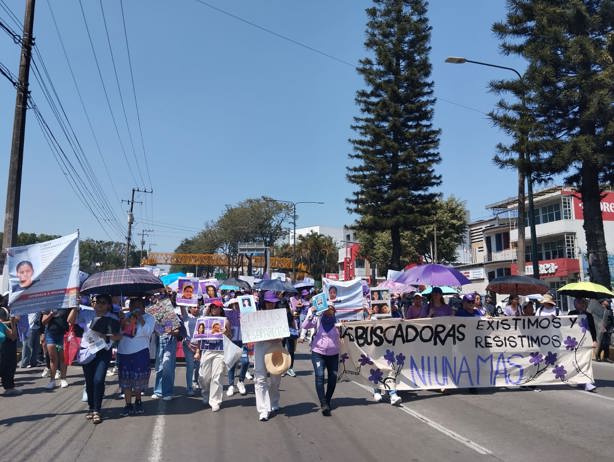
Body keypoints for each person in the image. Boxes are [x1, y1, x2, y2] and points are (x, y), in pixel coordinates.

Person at [79, 295, 121, 424]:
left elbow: (118, 337)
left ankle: (97, 410)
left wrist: (105, 335)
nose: (100, 305)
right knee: (89, 382)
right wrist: (74, 305)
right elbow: (70, 320)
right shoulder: (86, 313)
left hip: (103, 351)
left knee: (98, 380)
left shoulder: (113, 318)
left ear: (109, 305)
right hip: (87, 351)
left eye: (103, 302)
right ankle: (91, 408)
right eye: (97, 302)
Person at [118, 297, 155, 416]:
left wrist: (139, 318)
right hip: (124, 352)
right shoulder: (125, 316)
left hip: (140, 351)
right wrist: (121, 320)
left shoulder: (149, 318)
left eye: (139, 305)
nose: (136, 308)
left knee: (138, 380)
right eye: (133, 305)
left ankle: (138, 401)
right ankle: (128, 404)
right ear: (130, 307)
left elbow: (148, 332)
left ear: (144, 307)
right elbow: (118, 332)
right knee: (126, 381)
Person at [302, 302, 340, 416]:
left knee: (333, 378)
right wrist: (310, 313)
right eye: (326, 308)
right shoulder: (318, 319)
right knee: (320, 376)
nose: (328, 310)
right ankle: (323, 404)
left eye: (331, 308)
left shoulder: (338, 321)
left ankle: (327, 401)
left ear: (334, 310)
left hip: (333, 354)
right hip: (318, 353)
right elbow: (304, 326)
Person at [254, 291, 284, 421]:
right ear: (263, 302)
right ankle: (263, 409)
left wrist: (274, 337)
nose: (270, 304)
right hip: (260, 347)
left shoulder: (280, 315)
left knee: (275, 378)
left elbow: (283, 336)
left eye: (272, 302)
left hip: (275, 347)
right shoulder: (256, 315)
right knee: (260, 378)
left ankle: (274, 401)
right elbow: (251, 332)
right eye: (267, 302)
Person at [195, 299, 230, 412]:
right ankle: (206, 394)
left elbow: (231, 337)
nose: (215, 309)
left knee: (217, 376)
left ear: (220, 309)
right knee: (204, 376)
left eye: (217, 307)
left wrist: (226, 332)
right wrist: (197, 351)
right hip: (207, 350)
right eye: (213, 307)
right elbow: (199, 337)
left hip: (220, 351)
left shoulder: (225, 321)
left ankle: (215, 401)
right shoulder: (204, 320)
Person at [42, 307, 77, 389]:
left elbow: (71, 320)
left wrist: (75, 307)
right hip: (51, 334)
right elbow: (43, 322)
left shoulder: (68, 304)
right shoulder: (49, 305)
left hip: (64, 334)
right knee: (53, 358)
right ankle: (52, 380)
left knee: (63, 358)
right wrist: (51, 314)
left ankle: (63, 379)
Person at [569, 297, 598, 391]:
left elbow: (593, 328)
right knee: (577, 361)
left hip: (586, 341)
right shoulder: (571, 314)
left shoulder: (589, 315)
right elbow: (565, 325)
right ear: (576, 304)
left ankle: (587, 382)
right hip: (574, 342)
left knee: (586, 361)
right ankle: (579, 380)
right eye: (580, 303)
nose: (583, 305)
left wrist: (594, 340)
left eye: (584, 303)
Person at [225, 299, 248, 397]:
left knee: (245, 361)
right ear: (230, 306)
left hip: (243, 342)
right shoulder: (227, 315)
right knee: (232, 364)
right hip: (232, 342)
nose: (235, 306)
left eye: (237, 304)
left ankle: (240, 381)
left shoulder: (245, 314)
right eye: (233, 304)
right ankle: (231, 385)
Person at [0, 307, 21, 395]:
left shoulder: (1, 325)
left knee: (6, 369)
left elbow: (13, 337)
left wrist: (12, 323)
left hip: (2, 353)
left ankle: (9, 388)